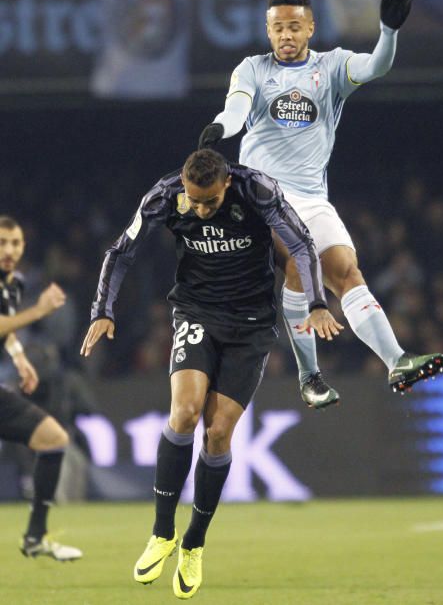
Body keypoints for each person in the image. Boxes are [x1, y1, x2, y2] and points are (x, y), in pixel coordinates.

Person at [81, 149, 341, 599]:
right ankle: (162, 532)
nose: (199, 210)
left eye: (209, 203)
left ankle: (194, 542)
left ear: (224, 185)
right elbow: (120, 252)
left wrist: (317, 302)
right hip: (197, 312)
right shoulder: (166, 196)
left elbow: (300, 243)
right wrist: (102, 310)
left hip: (253, 324)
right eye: (194, 202)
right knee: (183, 413)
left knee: (218, 435)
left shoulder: (257, 190)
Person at [198, 0, 443, 407]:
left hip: (312, 198)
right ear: (268, 29)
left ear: (311, 27)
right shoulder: (252, 69)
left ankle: (397, 361)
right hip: (260, 196)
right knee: (300, 260)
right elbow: (236, 108)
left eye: (295, 27)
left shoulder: (332, 67)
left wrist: (388, 31)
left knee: (346, 270)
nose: (286, 36)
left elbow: (375, 68)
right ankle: (310, 376)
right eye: (278, 28)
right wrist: (222, 128)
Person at [0, 215, 82, 561]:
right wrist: (39, 310)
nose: (9, 250)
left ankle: (35, 537)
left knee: (53, 439)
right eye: (2, 243)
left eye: (15, 243)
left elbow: (7, 328)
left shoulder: (11, 284)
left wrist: (19, 358)